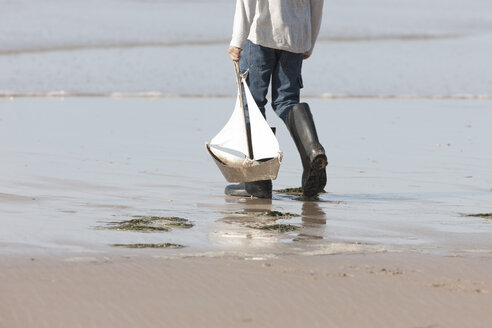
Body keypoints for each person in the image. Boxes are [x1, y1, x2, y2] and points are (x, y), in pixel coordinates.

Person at [225, 0, 327, 199]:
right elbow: (317, 4)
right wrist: (309, 41)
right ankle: (312, 149)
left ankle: (258, 183)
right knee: (287, 101)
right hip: (296, 36)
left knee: (253, 104)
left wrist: (237, 40)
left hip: (262, 35)